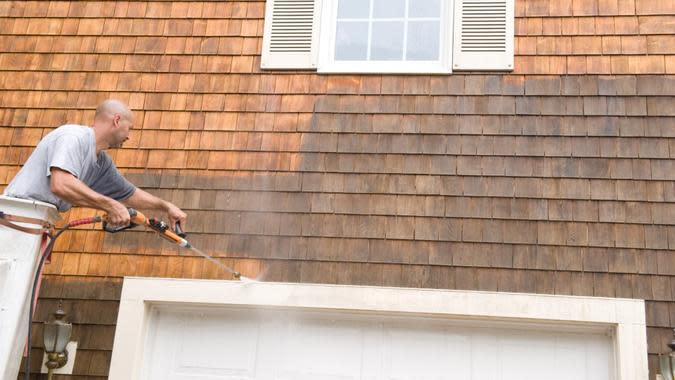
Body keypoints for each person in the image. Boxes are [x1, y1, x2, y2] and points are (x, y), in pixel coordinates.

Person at [3, 99, 187, 229]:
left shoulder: (101, 162)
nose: (129, 136)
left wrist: (166, 206)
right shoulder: (73, 137)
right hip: (15, 217)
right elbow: (61, 184)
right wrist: (110, 205)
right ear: (116, 120)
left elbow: (129, 194)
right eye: (129, 128)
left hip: (39, 221)